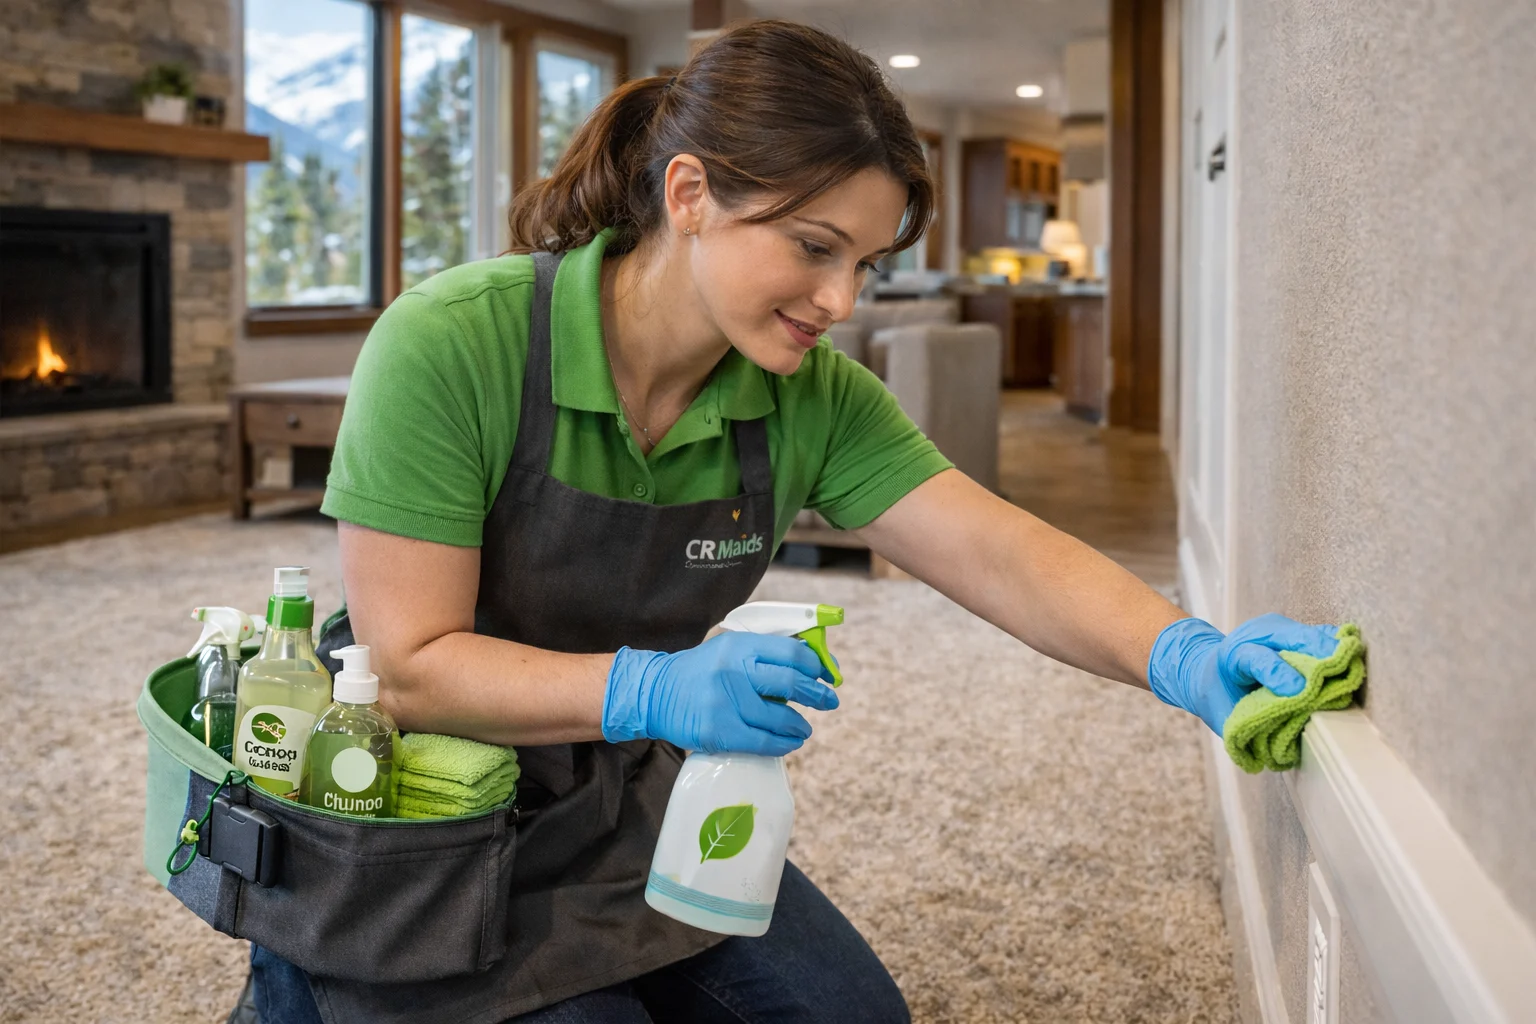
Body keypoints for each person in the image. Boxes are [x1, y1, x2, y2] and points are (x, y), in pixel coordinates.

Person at [251, 19, 1339, 1024]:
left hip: (625, 796)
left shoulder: (811, 396)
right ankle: (301, 970)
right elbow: (408, 668)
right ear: (688, 193)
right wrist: (652, 685)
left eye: (865, 263)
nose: (842, 301)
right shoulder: (454, 342)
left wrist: (1179, 651)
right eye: (816, 248)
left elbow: (1000, 551)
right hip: (418, 808)